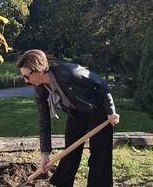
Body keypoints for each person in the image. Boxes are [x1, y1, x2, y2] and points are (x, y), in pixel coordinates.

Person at [16, 49, 120, 187]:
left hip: (98, 110)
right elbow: (44, 121)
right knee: (69, 153)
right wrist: (45, 154)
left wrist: (111, 111)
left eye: (27, 76)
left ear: (38, 69)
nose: (25, 81)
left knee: (100, 156)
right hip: (76, 112)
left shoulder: (70, 72)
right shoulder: (40, 89)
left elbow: (102, 84)